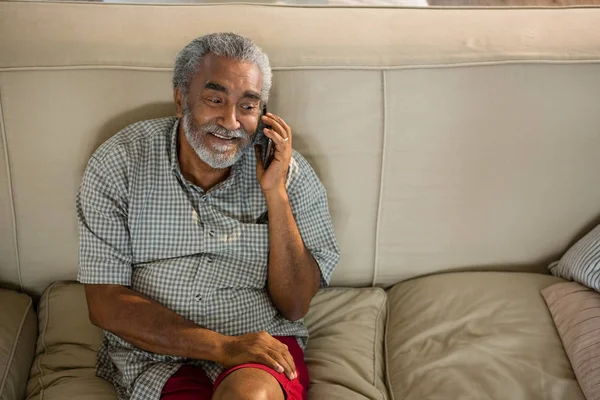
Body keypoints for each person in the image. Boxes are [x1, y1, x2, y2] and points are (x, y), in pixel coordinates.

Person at [76, 32, 340, 400]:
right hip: (157, 353)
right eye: (215, 99)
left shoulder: (287, 170)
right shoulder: (120, 162)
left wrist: (275, 194)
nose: (231, 122)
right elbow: (104, 302)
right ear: (181, 98)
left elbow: (295, 305)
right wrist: (222, 346)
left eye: (247, 106)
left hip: (258, 343)